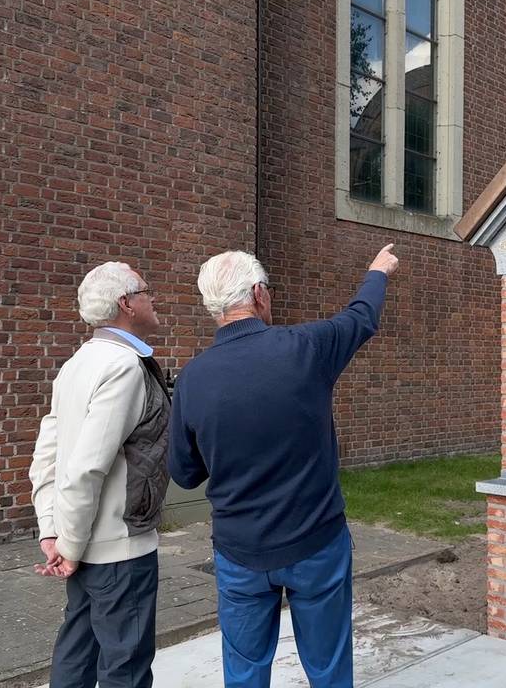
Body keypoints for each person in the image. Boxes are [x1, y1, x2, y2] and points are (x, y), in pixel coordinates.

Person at [168, 244, 399, 688]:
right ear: (259, 293)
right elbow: (360, 316)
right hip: (316, 542)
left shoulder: (194, 376)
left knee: (245, 671)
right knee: (328, 668)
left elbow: (185, 473)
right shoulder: (306, 348)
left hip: (239, 551)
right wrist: (377, 271)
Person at [28, 261, 171, 688]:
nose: (153, 298)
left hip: (84, 542)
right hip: (118, 548)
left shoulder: (77, 363)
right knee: (124, 667)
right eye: (146, 291)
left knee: (77, 650)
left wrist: (51, 531)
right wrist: (67, 544)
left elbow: (47, 455)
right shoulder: (123, 366)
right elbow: (86, 466)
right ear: (126, 303)